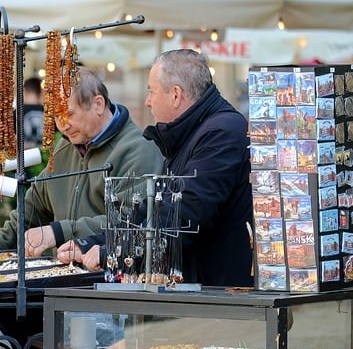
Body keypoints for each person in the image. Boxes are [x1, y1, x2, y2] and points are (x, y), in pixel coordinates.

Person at [58, 49, 254, 288]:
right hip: (204, 293)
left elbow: (183, 215)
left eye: (151, 91)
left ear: (175, 95)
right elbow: (150, 212)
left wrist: (113, 252)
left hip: (225, 297)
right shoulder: (189, 134)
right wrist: (93, 243)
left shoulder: (221, 132)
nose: (147, 101)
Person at [0, 66, 162, 257]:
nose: (62, 126)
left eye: (68, 114)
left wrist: (59, 231)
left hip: (110, 284)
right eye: (55, 117)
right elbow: (35, 205)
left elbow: (132, 222)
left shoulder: (139, 150)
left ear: (98, 104)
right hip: (64, 278)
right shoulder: (64, 147)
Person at [20, 76, 44, 149]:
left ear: (24, 91)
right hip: (44, 157)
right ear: (41, 92)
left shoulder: (17, 112)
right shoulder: (48, 113)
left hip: (23, 157)